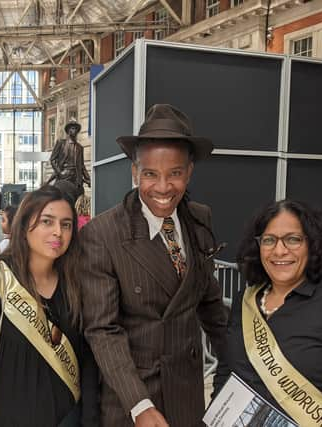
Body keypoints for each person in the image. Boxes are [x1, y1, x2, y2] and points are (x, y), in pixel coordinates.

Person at [80, 104, 227, 427]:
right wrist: (139, 404)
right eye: (150, 174)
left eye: (174, 173)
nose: (163, 188)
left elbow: (211, 304)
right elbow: (103, 331)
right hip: (132, 401)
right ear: (135, 173)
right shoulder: (102, 235)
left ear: (189, 172)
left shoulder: (199, 218)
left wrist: (242, 366)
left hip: (188, 396)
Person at [213, 200, 322, 426]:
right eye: (269, 240)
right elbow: (226, 377)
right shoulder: (244, 301)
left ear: (312, 244)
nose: (279, 250)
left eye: (293, 239)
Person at [0, 185, 99, 427]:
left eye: (66, 225)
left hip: (68, 419)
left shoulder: (76, 285)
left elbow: (87, 359)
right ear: (24, 226)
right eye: (47, 221)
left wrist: (89, 418)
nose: (58, 232)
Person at [46, 118, 91, 203]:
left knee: (80, 200)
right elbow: (52, 160)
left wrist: (88, 179)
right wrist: (60, 172)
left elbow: (82, 166)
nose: (74, 130)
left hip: (76, 178)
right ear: (68, 130)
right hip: (64, 175)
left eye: (76, 128)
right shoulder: (61, 143)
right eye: (72, 128)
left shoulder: (80, 148)